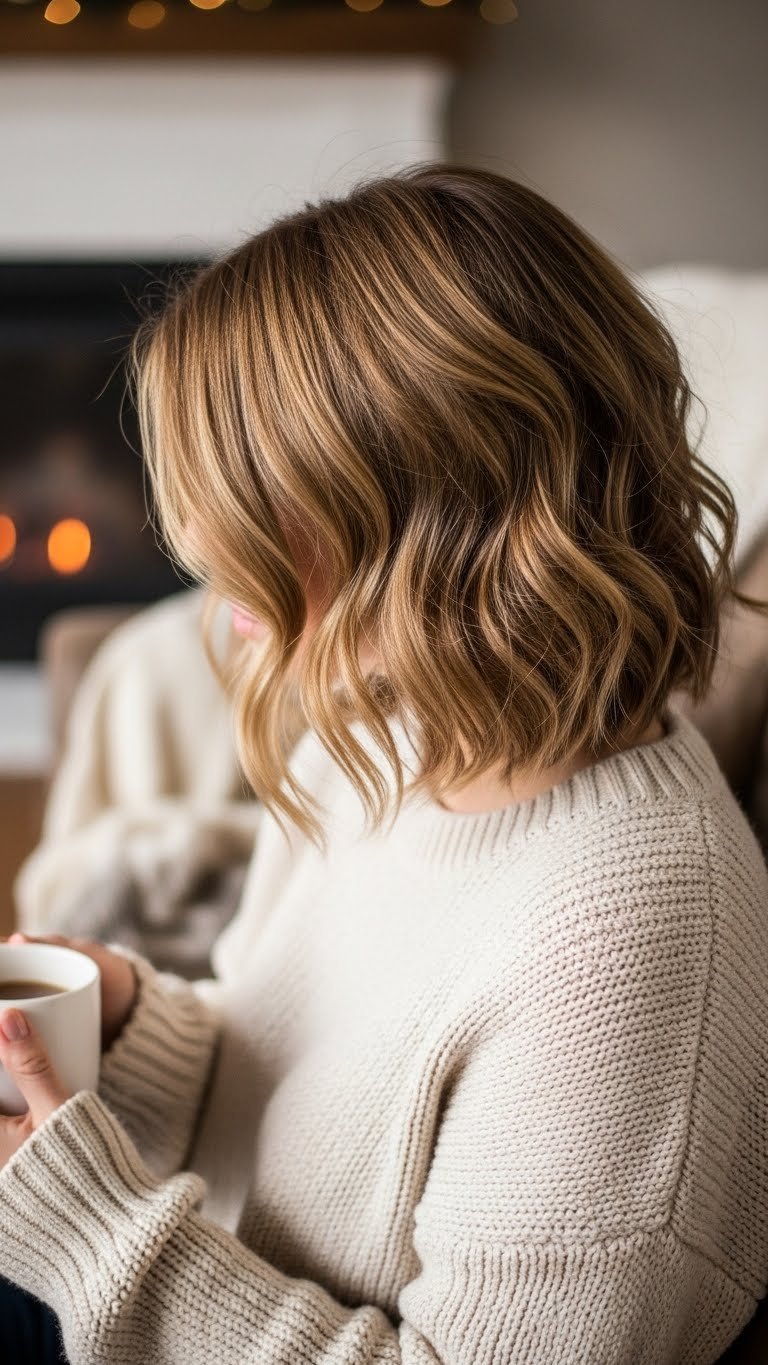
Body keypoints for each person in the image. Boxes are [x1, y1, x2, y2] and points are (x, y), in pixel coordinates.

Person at [1, 163, 767, 1364]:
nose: (205, 557)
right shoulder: (398, 736)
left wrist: (85, 1230)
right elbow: (310, 1128)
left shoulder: (630, 944)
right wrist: (139, 1028)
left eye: (257, 512)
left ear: (445, 518)